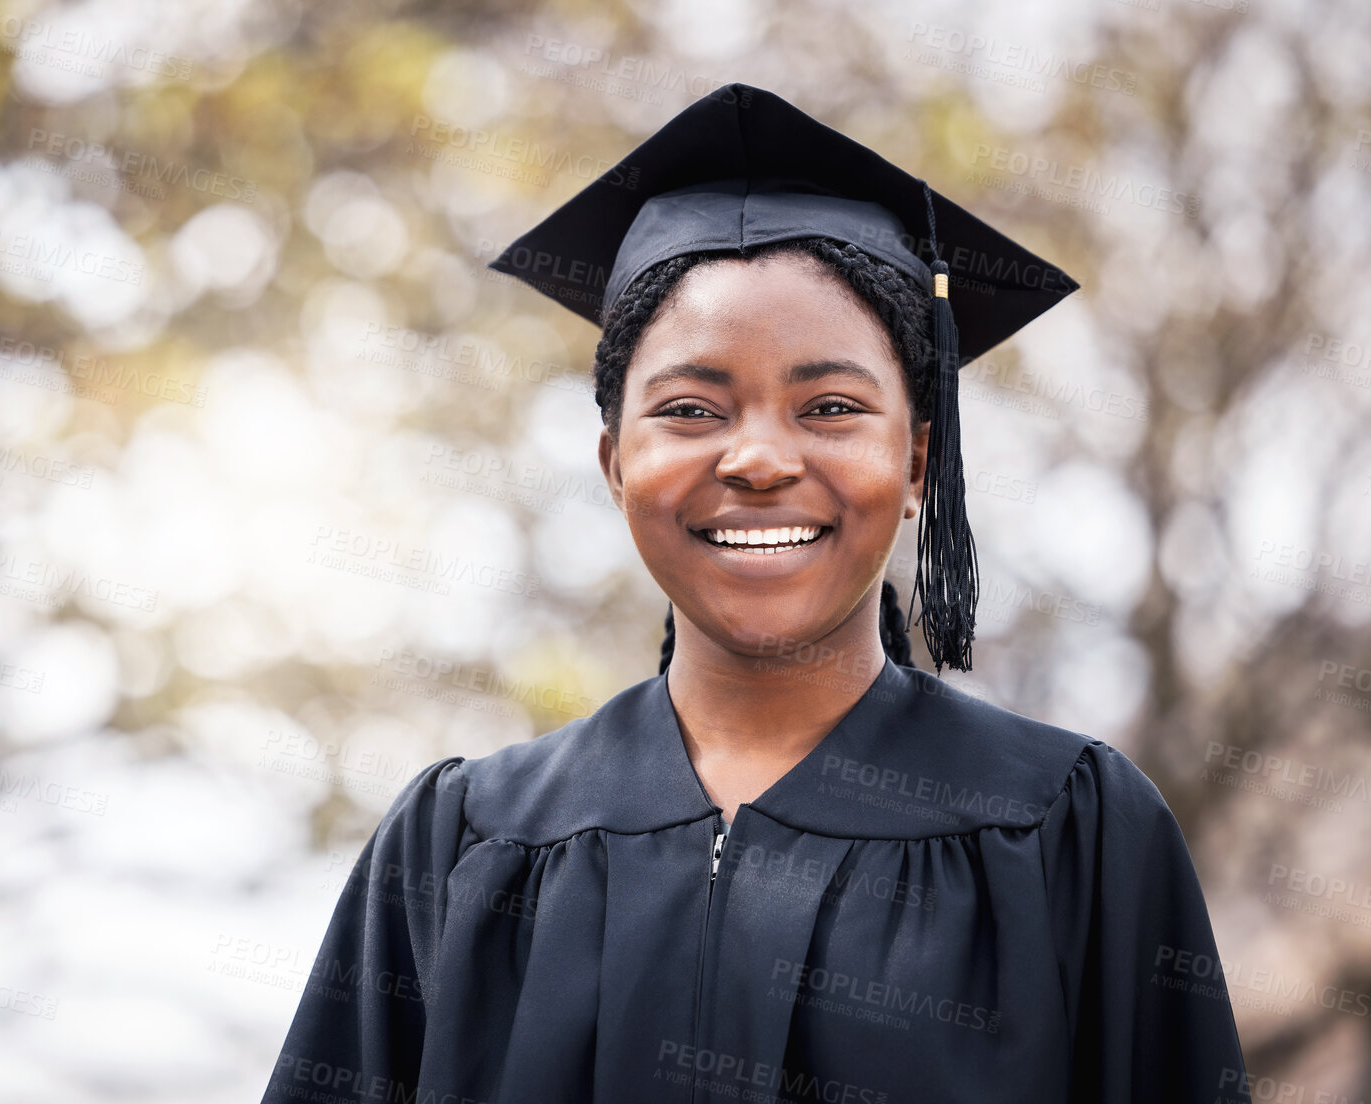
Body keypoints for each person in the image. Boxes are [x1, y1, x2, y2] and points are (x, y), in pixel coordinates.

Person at [262, 83, 1250, 1104]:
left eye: (829, 407)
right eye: (691, 408)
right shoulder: (464, 842)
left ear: (918, 463)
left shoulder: (1068, 828)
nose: (761, 459)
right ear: (613, 462)